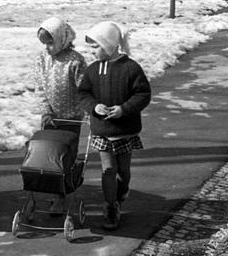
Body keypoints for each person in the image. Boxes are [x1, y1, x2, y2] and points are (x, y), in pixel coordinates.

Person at [78, 22, 151, 230]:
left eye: (95, 47)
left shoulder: (130, 68)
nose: (92, 52)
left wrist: (124, 109)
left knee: (123, 170)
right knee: (108, 169)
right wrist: (94, 107)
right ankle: (110, 206)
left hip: (125, 130)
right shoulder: (92, 71)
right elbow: (84, 94)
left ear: (109, 45)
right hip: (102, 130)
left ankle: (122, 192)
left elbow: (143, 94)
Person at [33, 17, 87, 214]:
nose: (47, 47)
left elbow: (84, 89)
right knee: (49, 156)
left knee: (66, 157)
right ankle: (55, 194)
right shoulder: (42, 59)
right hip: (50, 118)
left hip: (70, 119)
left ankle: (62, 196)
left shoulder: (76, 61)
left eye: (50, 43)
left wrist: (89, 109)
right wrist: (46, 110)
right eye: (44, 44)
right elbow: (40, 88)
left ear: (62, 39)